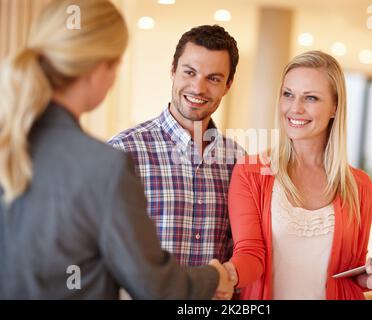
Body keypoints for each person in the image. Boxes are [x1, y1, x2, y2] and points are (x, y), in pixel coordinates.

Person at [0, 0, 233, 300]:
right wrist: (214, 276)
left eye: (213, 78)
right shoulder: (107, 163)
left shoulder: (12, 142)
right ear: (101, 68)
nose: (199, 87)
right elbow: (155, 285)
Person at [223, 51, 372, 300]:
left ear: (334, 108)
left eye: (311, 98)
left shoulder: (359, 186)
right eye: (288, 94)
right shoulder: (250, 172)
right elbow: (250, 253)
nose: (295, 108)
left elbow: (351, 273)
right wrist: (226, 274)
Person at [108, 25, 246, 267]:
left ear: (229, 85)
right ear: (173, 70)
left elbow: (241, 251)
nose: (198, 88)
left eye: (213, 78)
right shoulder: (123, 151)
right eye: (189, 72)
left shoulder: (238, 161)